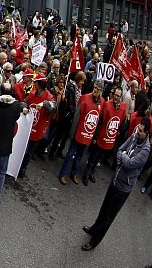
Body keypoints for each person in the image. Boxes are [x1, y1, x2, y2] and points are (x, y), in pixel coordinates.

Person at [81, 117, 150, 251]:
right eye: (138, 129)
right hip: (115, 180)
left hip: (123, 188)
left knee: (109, 216)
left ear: (146, 133)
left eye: (141, 131)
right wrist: (124, 156)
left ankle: (95, 240)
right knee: (104, 208)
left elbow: (130, 164)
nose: (138, 132)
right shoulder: (134, 136)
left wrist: (123, 157)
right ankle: (94, 228)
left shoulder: (146, 150)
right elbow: (120, 149)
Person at [59, 79, 104, 185]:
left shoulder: (102, 102)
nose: (96, 90)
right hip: (78, 134)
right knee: (70, 155)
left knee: (79, 156)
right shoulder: (84, 98)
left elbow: (98, 120)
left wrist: (94, 136)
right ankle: (63, 174)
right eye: (95, 87)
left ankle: (73, 173)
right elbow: (76, 117)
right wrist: (72, 133)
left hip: (88, 136)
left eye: (98, 89)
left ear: (102, 90)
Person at [81, 84, 127, 186]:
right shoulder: (106, 105)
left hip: (109, 140)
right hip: (101, 137)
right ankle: (86, 173)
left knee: (98, 159)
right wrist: (96, 137)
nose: (116, 97)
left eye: (118, 96)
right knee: (93, 157)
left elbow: (121, 122)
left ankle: (91, 172)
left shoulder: (123, 108)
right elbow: (100, 122)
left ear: (121, 97)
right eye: (115, 94)